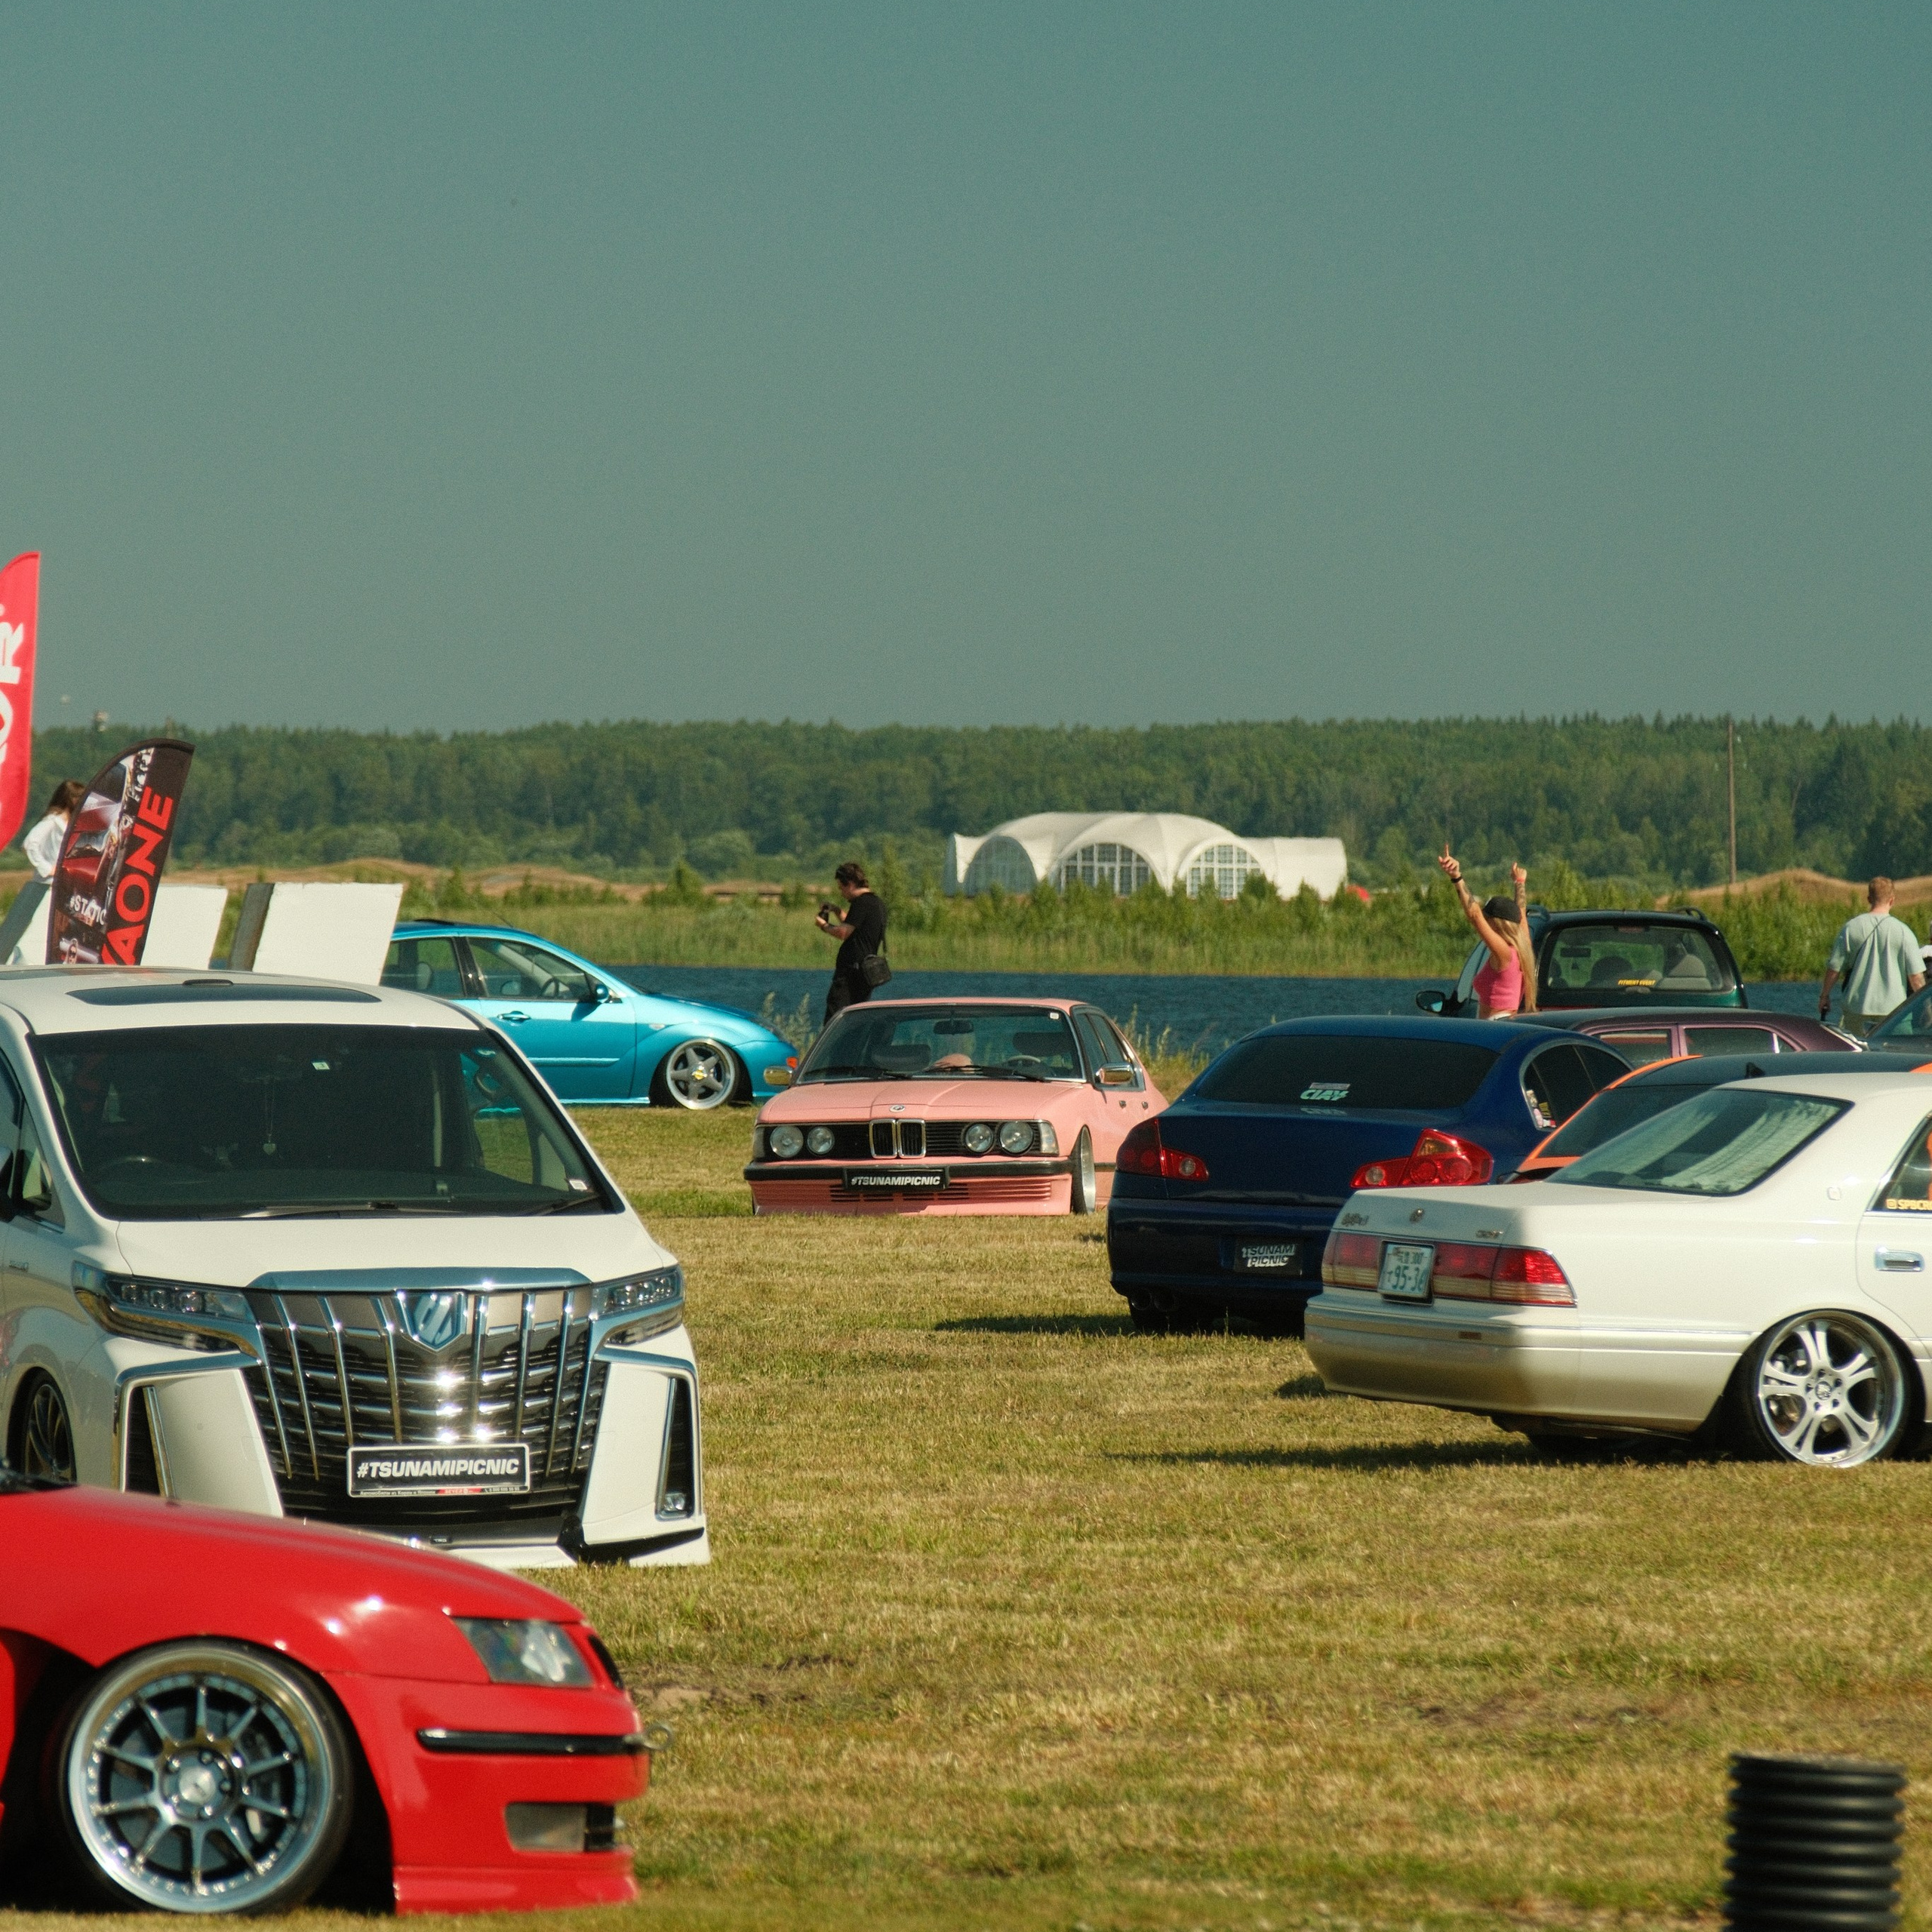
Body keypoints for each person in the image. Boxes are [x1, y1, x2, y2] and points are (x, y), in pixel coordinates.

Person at [1821, 877, 1924, 1039]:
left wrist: (1825, 996)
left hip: (1856, 1009)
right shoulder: (1904, 932)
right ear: (1892, 900)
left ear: (1869, 899)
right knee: (1901, 1057)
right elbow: (1916, 978)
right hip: (1895, 1011)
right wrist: (1925, 1006)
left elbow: (1834, 968)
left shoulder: (1851, 928)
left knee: (1857, 1058)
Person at [1437, 851, 1537, 1018]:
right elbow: (1520, 912)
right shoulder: (1522, 948)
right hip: (1506, 1024)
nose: (1485, 923)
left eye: (1487, 919)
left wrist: (1457, 877)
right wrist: (1519, 882)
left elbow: (1475, 916)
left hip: (1494, 1025)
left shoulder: (1504, 954)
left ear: (1495, 924)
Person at [815, 860, 888, 1026]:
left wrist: (824, 926)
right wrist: (836, 910)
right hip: (864, 975)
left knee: (835, 1021)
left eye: (841, 888)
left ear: (851, 884)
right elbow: (853, 924)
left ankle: (834, 1053)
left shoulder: (862, 903)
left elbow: (843, 932)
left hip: (850, 976)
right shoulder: (876, 903)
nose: (841, 893)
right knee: (855, 1022)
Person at [20, 779, 84, 881]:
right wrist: (47, 868)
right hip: (49, 886)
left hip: (66, 886)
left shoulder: (74, 825)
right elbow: (29, 844)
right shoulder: (53, 821)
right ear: (71, 800)